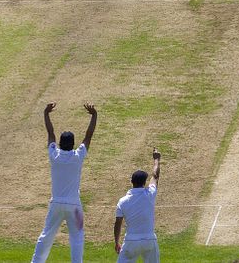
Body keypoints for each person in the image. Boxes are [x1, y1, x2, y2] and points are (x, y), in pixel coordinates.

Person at [32, 102, 98, 263]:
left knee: (46, 236)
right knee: (77, 237)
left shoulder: (54, 155)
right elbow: (88, 136)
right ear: (73, 143)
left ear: (60, 143)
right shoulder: (78, 156)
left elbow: (50, 132)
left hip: (56, 204)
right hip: (74, 206)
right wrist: (94, 115)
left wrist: (46, 114)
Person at [114, 148, 162, 263]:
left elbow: (118, 224)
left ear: (131, 181)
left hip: (131, 241)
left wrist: (116, 242)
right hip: (149, 240)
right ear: (144, 182)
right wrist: (156, 159)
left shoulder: (122, 201)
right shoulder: (150, 194)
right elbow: (155, 176)